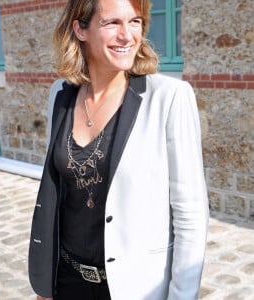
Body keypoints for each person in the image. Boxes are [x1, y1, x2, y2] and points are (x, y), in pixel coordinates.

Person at [28, 0, 209, 299]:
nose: (128, 35)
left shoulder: (170, 98)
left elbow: (190, 214)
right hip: (68, 280)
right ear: (80, 29)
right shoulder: (60, 94)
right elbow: (56, 194)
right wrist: (46, 283)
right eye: (112, 23)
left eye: (135, 21)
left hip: (134, 288)